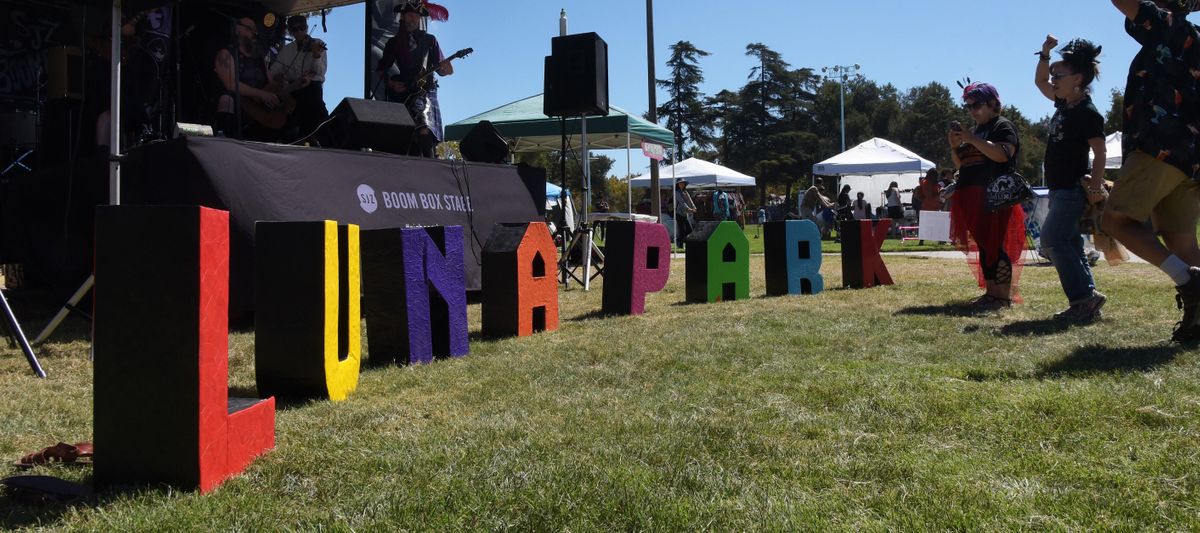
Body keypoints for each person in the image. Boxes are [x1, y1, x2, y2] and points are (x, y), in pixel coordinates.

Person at [1104, 0, 1200, 341]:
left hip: (1160, 147)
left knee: (1114, 219)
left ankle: (1189, 280)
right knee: (1179, 237)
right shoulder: (1191, 35)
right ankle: (1198, 323)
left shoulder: (1168, 24)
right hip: (1190, 156)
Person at [1034, 35, 1109, 323]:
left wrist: (1095, 188)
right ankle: (1086, 300)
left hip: (1072, 190)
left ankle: (1084, 298)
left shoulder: (1088, 113)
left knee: (1052, 240)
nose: (1052, 80)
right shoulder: (1064, 105)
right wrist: (1044, 54)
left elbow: (1100, 153)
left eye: (1058, 75)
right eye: (1053, 74)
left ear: (1077, 77)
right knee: (1070, 242)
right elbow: (1039, 82)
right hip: (1058, 189)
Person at [947, 82, 1027, 310]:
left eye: (977, 105)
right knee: (985, 245)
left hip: (994, 196)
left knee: (995, 244)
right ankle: (991, 293)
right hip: (972, 194)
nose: (972, 110)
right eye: (969, 106)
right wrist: (955, 147)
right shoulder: (979, 131)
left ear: (993, 104)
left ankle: (1002, 297)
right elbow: (963, 164)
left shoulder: (1002, 126)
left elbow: (1003, 155)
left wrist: (971, 139)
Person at [376, 0, 453, 158]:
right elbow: (381, 70)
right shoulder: (394, 42)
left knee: (424, 128)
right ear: (403, 17)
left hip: (423, 91)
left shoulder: (430, 40)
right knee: (405, 137)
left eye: (416, 16)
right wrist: (390, 83)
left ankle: (431, 168)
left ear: (419, 19)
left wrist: (447, 68)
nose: (412, 19)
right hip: (402, 92)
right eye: (409, 15)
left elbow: (444, 71)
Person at [213, 17, 280, 141]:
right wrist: (261, 94)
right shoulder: (226, 54)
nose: (255, 33)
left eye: (255, 29)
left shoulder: (260, 58)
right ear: (238, 30)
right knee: (226, 99)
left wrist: (292, 84)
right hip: (239, 106)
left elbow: (272, 83)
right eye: (251, 29)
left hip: (260, 108)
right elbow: (230, 84)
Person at [270, 15, 329, 144]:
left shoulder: (317, 43)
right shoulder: (287, 50)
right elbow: (274, 70)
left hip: (312, 89)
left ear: (307, 28)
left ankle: (321, 137)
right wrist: (279, 77)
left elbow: (319, 73)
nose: (299, 32)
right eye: (295, 30)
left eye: (302, 28)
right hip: (294, 91)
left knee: (316, 106)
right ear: (290, 31)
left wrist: (316, 55)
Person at [674, 180, 697, 247]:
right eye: (681, 183)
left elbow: (690, 200)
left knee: (689, 230)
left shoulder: (685, 192)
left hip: (685, 213)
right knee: (682, 230)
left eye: (683, 183)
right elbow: (681, 202)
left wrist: (694, 207)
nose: (682, 184)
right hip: (678, 213)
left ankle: (682, 241)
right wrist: (688, 209)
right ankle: (679, 243)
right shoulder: (676, 192)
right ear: (678, 184)